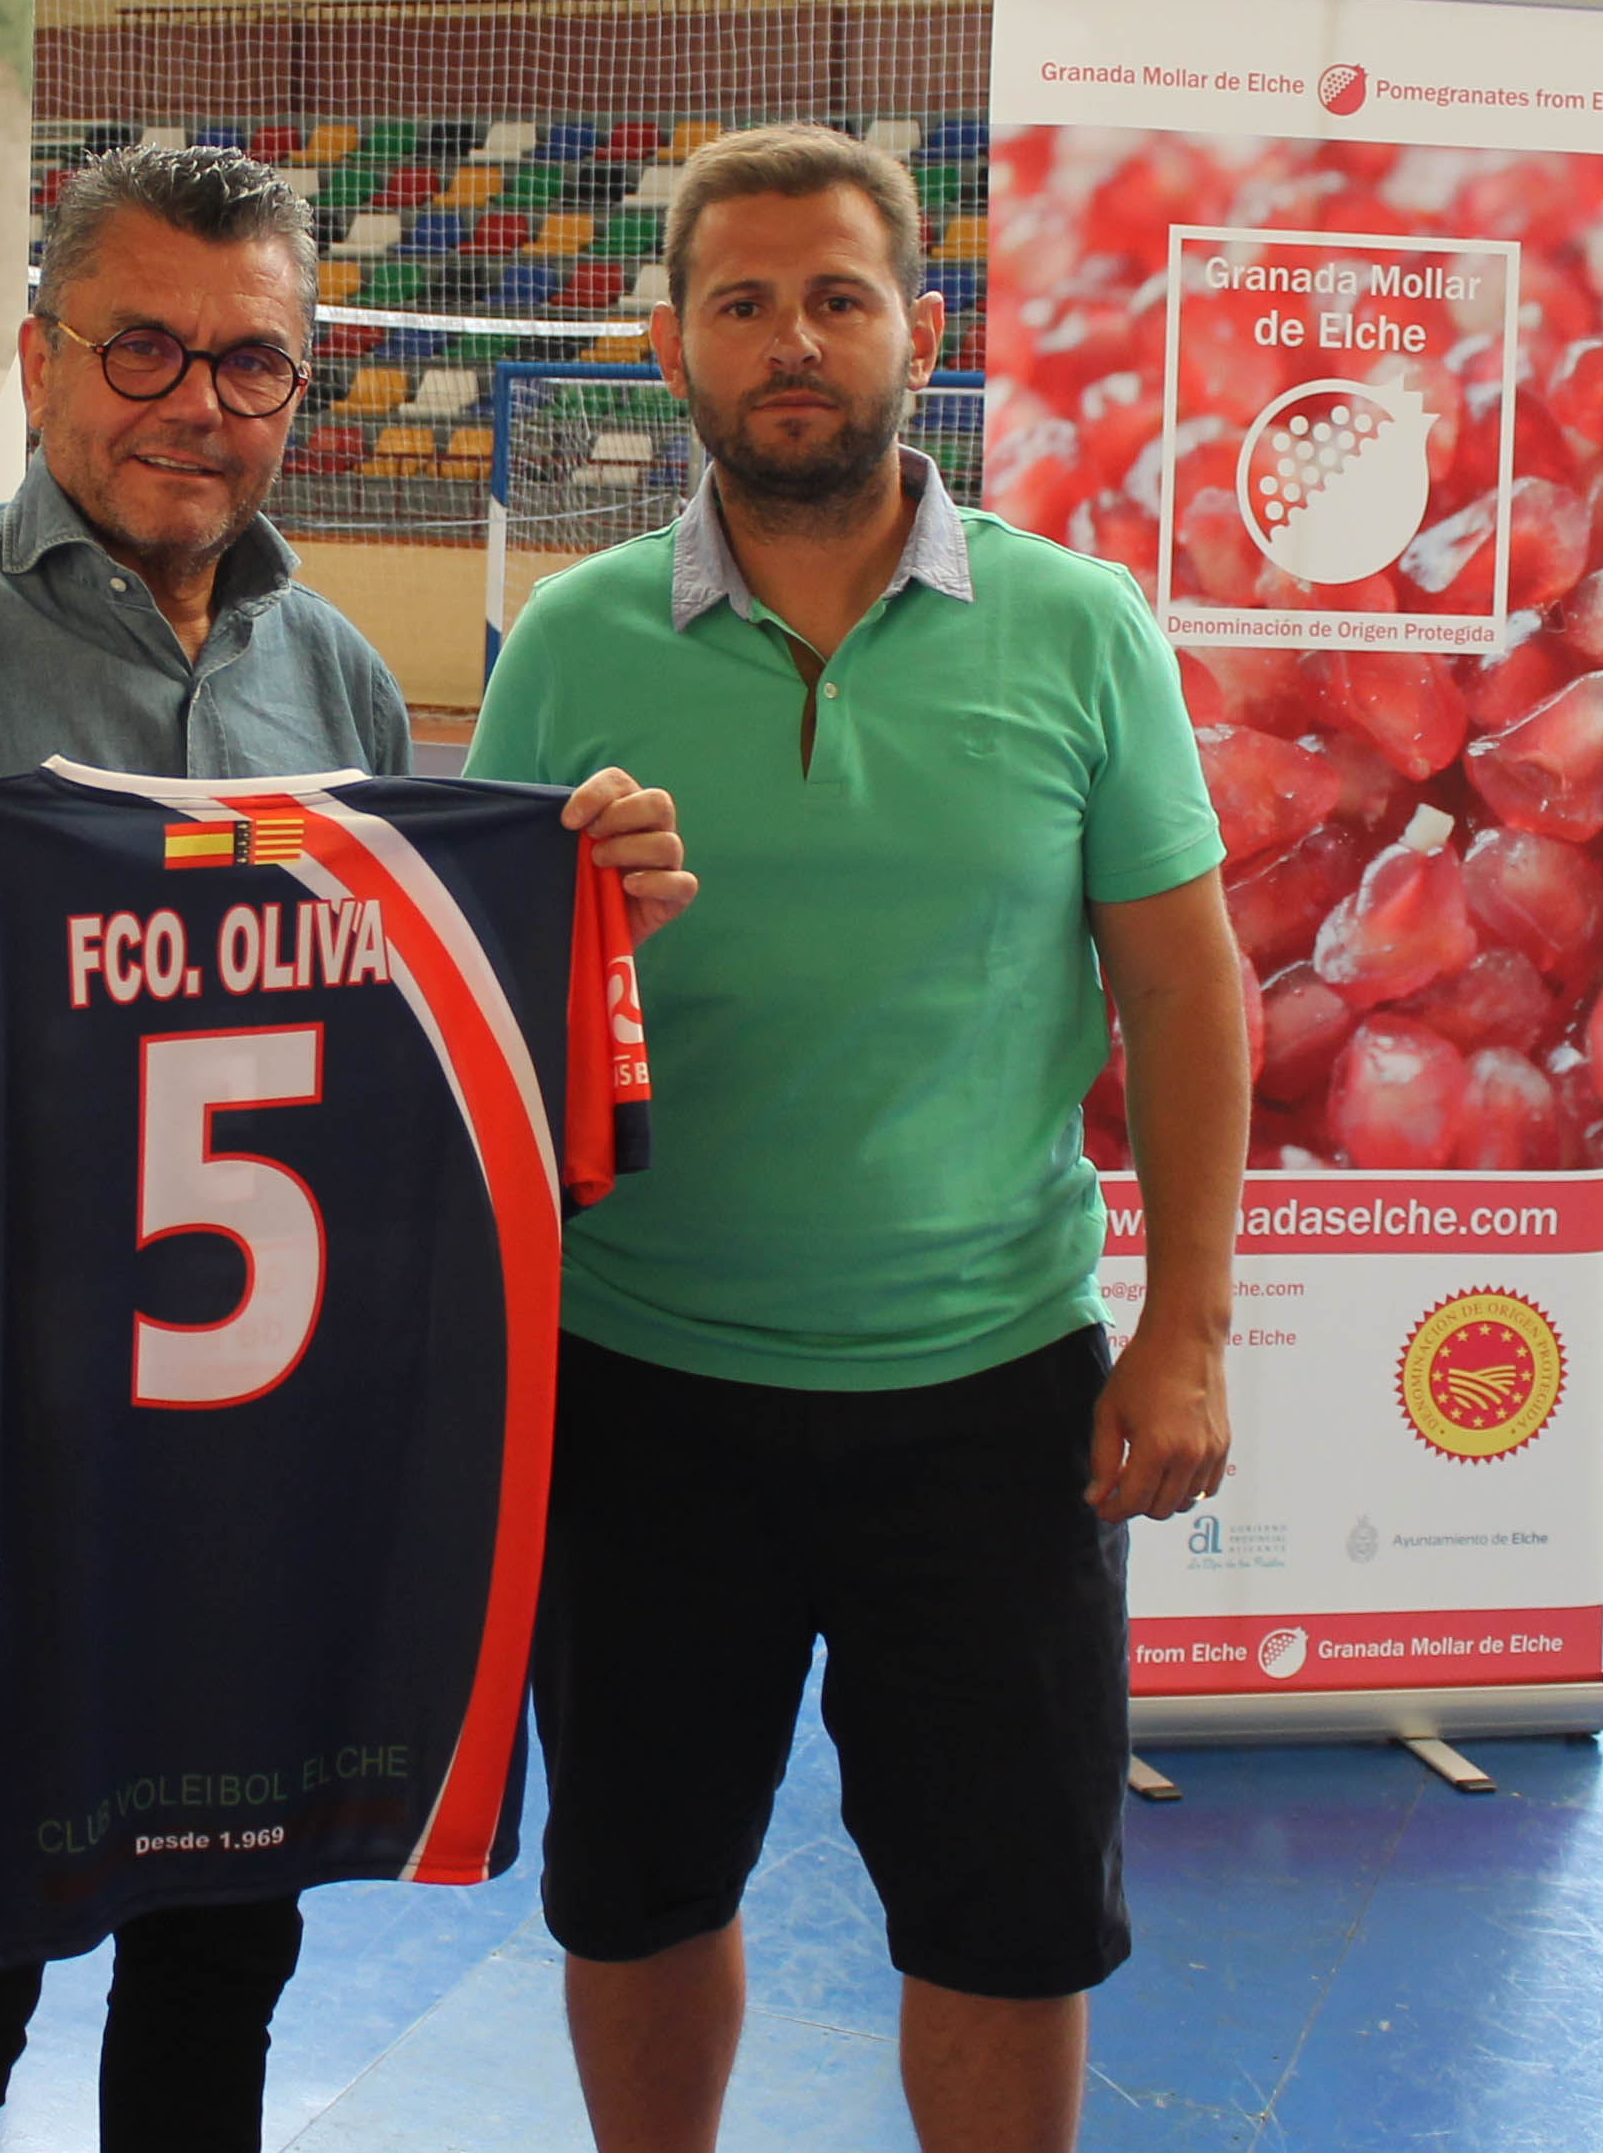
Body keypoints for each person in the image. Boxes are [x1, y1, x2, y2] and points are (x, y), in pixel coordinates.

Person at [0, 143, 693, 2153]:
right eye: (140, 345)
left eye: (250, 360)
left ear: (301, 387)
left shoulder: (335, 674)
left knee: (221, 1973)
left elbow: (401, 1056)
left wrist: (585, 917)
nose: (196, 399)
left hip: (240, 1464)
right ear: (38, 361)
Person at [465, 124, 1248, 2153]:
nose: (789, 340)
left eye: (834, 293)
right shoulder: (568, 645)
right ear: (670, 343)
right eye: (741, 301)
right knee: (639, 1888)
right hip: (640, 1387)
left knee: (1001, 1921)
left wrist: (1183, 1324)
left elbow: (1184, 988)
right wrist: (585, 939)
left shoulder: (1079, 626)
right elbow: (477, 1024)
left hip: (990, 1399)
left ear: (920, 326)